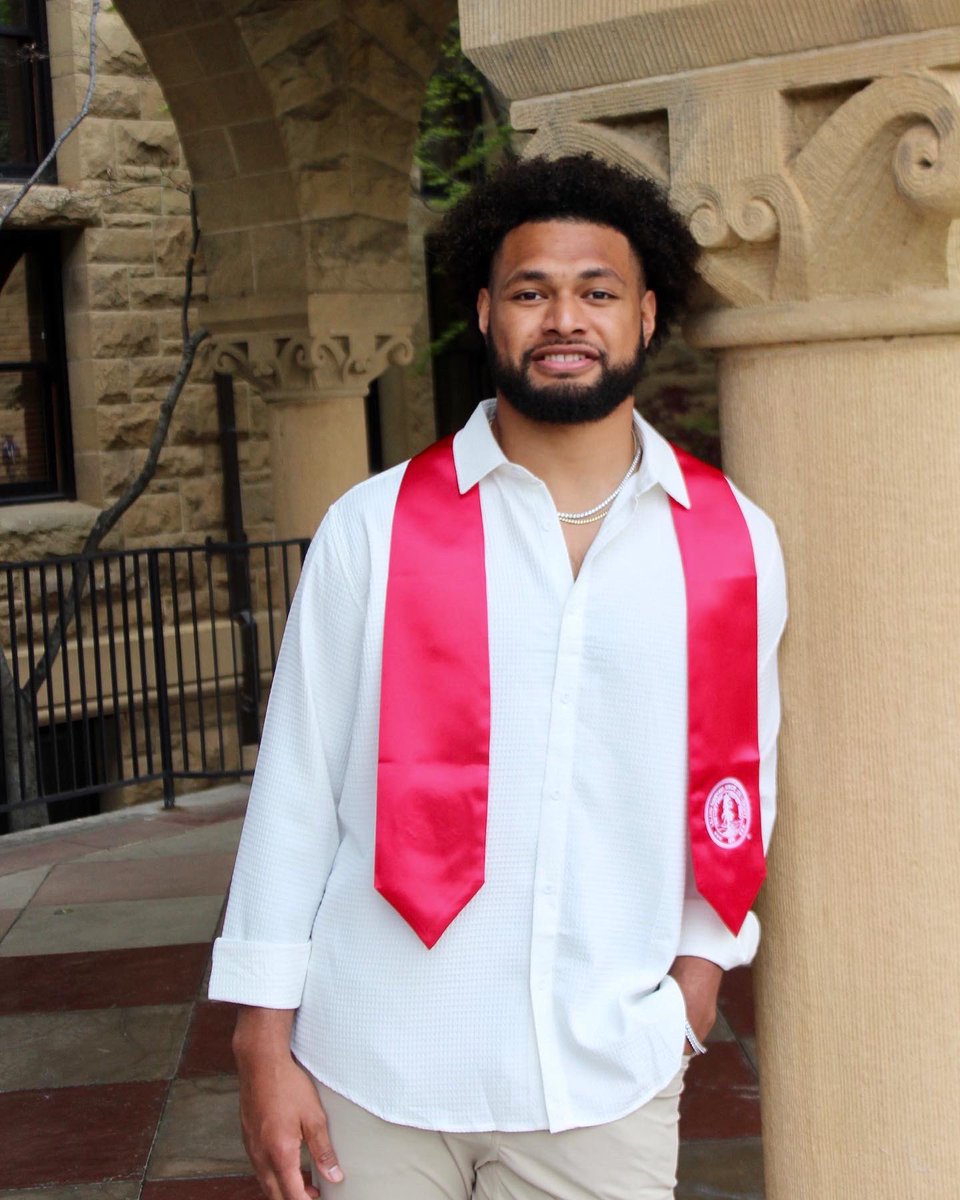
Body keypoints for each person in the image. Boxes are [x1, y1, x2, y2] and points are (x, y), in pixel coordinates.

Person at [208, 153, 787, 1200]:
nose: (565, 318)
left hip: (602, 1077)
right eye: (532, 292)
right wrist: (262, 1031)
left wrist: (697, 985)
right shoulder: (374, 530)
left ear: (646, 315)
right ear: (486, 312)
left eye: (596, 292)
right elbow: (294, 787)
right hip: (370, 1068)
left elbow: (740, 779)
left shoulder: (732, 541)